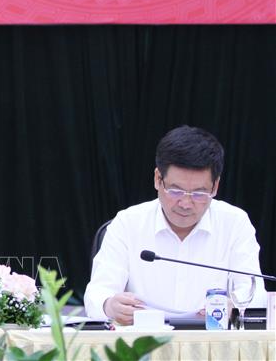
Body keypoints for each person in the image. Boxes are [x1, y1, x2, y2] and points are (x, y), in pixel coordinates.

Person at [84, 125, 267, 325]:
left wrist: (235, 306)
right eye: (175, 191)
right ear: (157, 179)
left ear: (215, 187)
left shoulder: (235, 223)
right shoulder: (127, 223)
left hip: (212, 337)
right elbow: (97, 294)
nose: (185, 203)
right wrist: (110, 306)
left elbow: (255, 293)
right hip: (143, 338)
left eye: (199, 193)